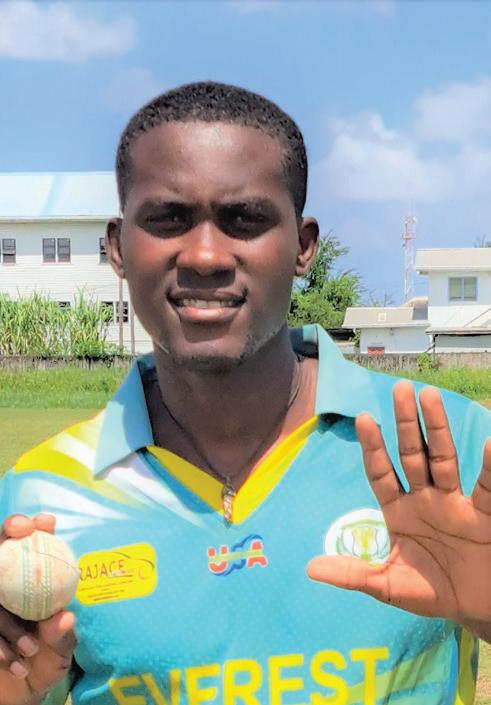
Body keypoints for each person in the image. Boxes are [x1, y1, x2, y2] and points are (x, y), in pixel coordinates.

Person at [0, 81, 490, 705]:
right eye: (168, 219)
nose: (205, 255)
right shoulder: (41, 498)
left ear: (303, 247)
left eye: (245, 220)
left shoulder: (449, 447)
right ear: (117, 247)